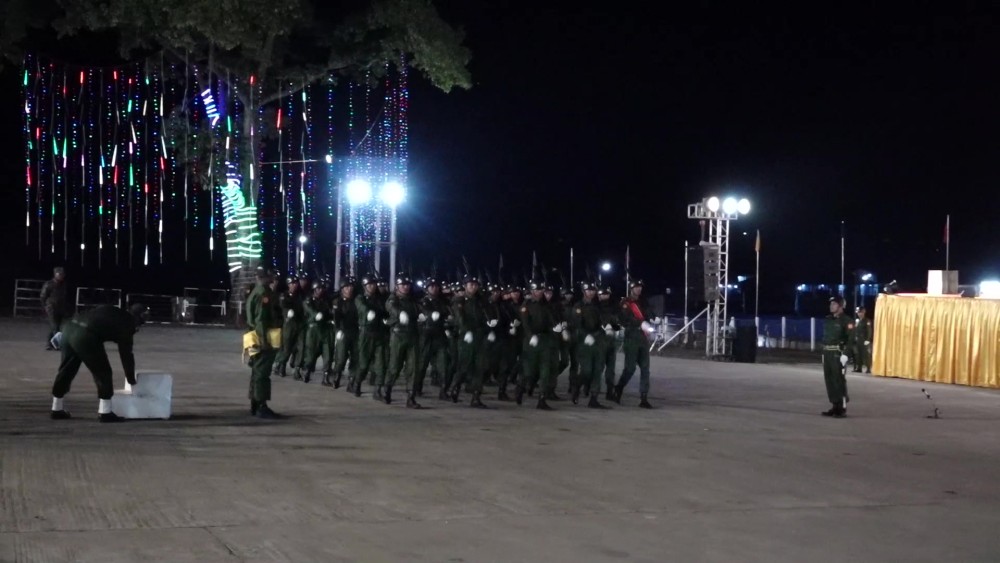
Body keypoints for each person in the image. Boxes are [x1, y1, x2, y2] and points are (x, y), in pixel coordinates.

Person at [49, 303, 149, 422]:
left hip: (68, 328)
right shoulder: (128, 323)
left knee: (66, 370)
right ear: (139, 317)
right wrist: (131, 378)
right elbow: (126, 355)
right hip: (85, 334)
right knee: (103, 372)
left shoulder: (114, 310)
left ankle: (56, 408)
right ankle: (105, 412)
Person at [613, 279, 656, 408]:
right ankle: (619, 388)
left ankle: (644, 397)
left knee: (645, 369)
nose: (639, 289)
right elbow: (625, 318)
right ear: (631, 289)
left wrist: (654, 318)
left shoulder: (643, 302)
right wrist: (640, 323)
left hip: (643, 338)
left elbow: (648, 313)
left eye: (640, 287)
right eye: (636, 287)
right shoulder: (625, 303)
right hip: (631, 337)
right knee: (630, 368)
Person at [246, 268, 282, 418]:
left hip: (254, 336)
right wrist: (264, 341)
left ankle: (255, 403)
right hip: (263, 337)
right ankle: (261, 406)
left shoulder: (256, 291)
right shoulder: (264, 293)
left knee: (256, 371)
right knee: (262, 372)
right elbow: (261, 319)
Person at [450, 274, 490, 407]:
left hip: (479, 336)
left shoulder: (481, 301)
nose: (473, 287)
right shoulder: (460, 300)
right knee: (464, 365)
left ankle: (476, 396)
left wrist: (489, 328)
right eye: (471, 285)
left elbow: (485, 316)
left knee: (480, 367)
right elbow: (460, 318)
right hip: (466, 337)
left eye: (475, 285)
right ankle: (455, 387)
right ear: (465, 286)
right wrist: (466, 331)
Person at [517, 280, 558, 410]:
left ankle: (542, 399)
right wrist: (531, 336)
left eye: (540, 290)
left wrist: (556, 328)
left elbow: (551, 321)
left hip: (545, 341)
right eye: (536, 290)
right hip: (531, 342)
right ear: (531, 291)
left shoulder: (547, 306)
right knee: (529, 371)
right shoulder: (526, 305)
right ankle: (520, 388)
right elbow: (525, 324)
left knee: (545, 371)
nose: (538, 293)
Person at [570, 281, 610, 408]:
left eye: (593, 290)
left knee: (598, 369)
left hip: (598, 340)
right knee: (587, 370)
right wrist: (585, 335)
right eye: (588, 290)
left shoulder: (598, 306)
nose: (591, 293)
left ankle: (594, 398)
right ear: (583, 291)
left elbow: (603, 319)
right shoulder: (578, 306)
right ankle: (577, 385)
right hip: (584, 342)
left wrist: (608, 326)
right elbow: (577, 324)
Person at [354, 275, 389, 399]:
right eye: (369, 285)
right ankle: (357, 383)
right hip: (366, 333)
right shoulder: (360, 298)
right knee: (363, 363)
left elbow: (385, 311)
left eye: (373, 284)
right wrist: (368, 312)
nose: (372, 287)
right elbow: (361, 307)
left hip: (379, 333)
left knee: (381, 364)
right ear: (364, 286)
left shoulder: (380, 299)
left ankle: (378, 390)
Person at [418, 278, 451, 398]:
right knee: (422, 365)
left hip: (440, 335)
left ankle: (444, 390)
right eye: (431, 286)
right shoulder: (423, 302)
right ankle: (417, 388)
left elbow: (448, 314)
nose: (434, 288)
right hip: (426, 336)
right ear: (427, 288)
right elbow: (424, 312)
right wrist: (431, 315)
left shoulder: (444, 302)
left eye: (436, 286)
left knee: (443, 365)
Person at [821, 296, 853, 418]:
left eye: (834, 304)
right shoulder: (828, 319)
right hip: (827, 353)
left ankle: (842, 407)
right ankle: (835, 405)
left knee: (838, 380)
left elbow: (851, 340)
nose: (831, 306)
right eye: (831, 304)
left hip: (837, 354)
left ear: (841, 306)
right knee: (829, 379)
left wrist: (846, 354)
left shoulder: (847, 321)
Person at [273, 275, 304, 378]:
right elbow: (283, 306)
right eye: (292, 283)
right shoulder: (284, 296)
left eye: (295, 283)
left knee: (300, 347)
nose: (294, 285)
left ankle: (297, 370)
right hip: (289, 325)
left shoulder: (300, 296)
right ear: (288, 285)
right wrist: (287, 312)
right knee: (287, 348)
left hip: (299, 324)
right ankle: (281, 365)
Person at [331, 277, 359, 389]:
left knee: (355, 357)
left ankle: (351, 380)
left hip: (355, 332)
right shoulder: (338, 301)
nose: (349, 289)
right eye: (347, 287)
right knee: (341, 357)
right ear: (342, 289)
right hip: (343, 332)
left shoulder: (356, 300)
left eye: (351, 287)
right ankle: (337, 375)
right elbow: (336, 317)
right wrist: (338, 330)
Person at [598, 285, 621, 401]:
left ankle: (609, 391)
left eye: (606, 294)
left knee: (611, 369)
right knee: (599, 367)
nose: (605, 296)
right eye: (603, 294)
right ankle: (592, 390)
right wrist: (604, 325)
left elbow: (618, 321)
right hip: (600, 339)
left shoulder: (614, 307)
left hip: (611, 339)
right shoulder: (596, 306)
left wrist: (616, 326)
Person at [41, 266, 69, 350]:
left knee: (57, 327)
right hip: (51, 308)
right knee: (55, 326)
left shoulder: (63, 284)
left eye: (62, 274)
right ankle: (56, 345)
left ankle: (50, 344)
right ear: (55, 275)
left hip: (60, 308)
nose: (61, 276)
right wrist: (45, 307)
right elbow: (43, 296)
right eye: (59, 274)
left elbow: (64, 297)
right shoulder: (49, 284)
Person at [853, 306, 873, 374]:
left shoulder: (867, 321)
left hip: (864, 340)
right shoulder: (857, 321)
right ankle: (859, 368)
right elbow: (855, 330)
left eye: (860, 312)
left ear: (864, 312)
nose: (859, 314)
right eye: (858, 312)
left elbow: (869, 331)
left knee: (866, 354)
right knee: (858, 354)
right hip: (858, 340)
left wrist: (867, 340)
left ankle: (868, 368)